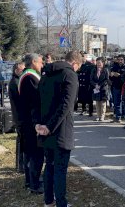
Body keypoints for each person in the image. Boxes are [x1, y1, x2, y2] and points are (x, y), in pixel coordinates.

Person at [36, 50, 82, 207]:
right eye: (78, 68)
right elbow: (67, 105)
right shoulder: (70, 75)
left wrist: (39, 124)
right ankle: (61, 204)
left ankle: (49, 201)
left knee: (49, 165)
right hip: (60, 130)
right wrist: (49, 127)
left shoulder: (46, 73)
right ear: (75, 63)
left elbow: (38, 102)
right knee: (60, 169)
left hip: (45, 129)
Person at [17, 53, 45, 194]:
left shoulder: (27, 75)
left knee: (30, 153)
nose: (42, 65)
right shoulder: (30, 77)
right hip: (31, 122)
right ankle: (35, 184)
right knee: (36, 154)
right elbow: (37, 99)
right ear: (33, 62)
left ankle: (30, 181)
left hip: (27, 120)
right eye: (40, 62)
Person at [8, 61, 25, 173]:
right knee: (21, 141)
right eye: (21, 70)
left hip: (19, 115)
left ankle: (20, 165)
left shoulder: (17, 80)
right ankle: (20, 166)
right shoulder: (15, 82)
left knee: (21, 140)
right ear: (16, 70)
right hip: (19, 116)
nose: (24, 71)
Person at [74, 51, 94, 116]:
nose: (82, 57)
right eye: (81, 56)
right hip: (81, 84)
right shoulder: (78, 65)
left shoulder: (90, 65)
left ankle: (90, 111)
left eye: (83, 56)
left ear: (85, 56)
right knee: (82, 98)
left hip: (87, 84)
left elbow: (92, 75)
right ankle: (83, 109)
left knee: (89, 98)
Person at [90, 57, 109, 121]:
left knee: (103, 103)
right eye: (97, 63)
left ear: (103, 63)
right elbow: (91, 79)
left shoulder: (105, 70)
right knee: (97, 102)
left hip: (103, 88)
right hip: (96, 88)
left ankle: (102, 116)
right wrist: (95, 85)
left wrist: (100, 85)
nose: (98, 64)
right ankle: (98, 115)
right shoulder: (94, 70)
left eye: (99, 63)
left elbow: (106, 79)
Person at [109, 54, 125, 123]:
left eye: (121, 60)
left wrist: (119, 75)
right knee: (116, 102)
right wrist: (111, 75)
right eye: (119, 59)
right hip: (116, 86)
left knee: (124, 102)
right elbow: (111, 77)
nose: (120, 61)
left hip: (124, 87)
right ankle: (118, 117)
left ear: (124, 60)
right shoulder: (114, 66)